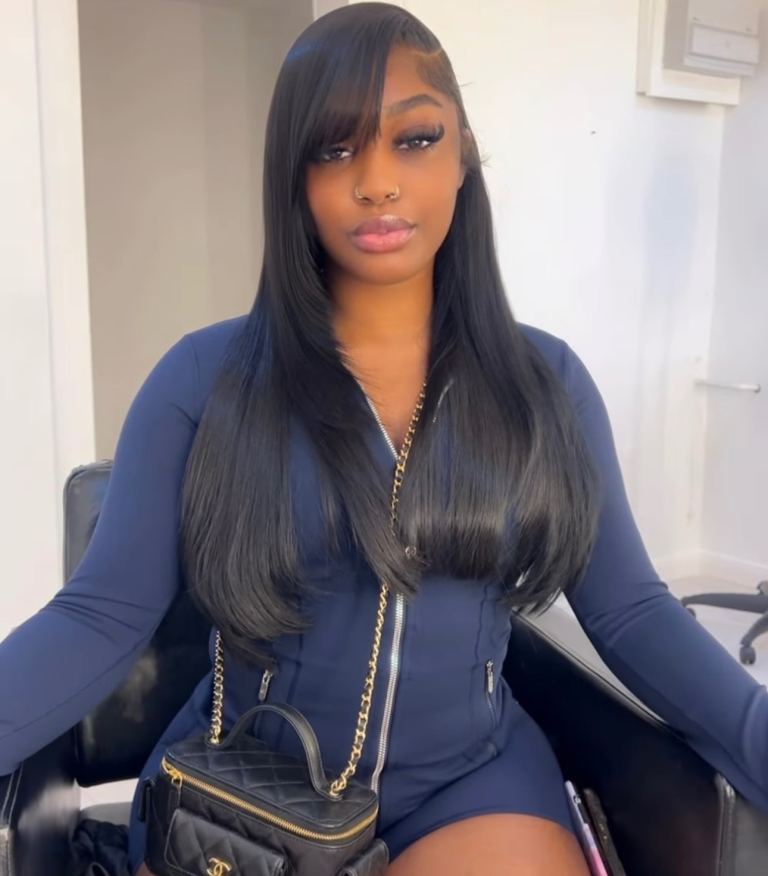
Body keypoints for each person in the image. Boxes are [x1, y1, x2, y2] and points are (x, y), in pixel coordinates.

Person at [2, 4, 767, 874]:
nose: (376, 182)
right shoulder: (203, 379)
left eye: (414, 139)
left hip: (470, 786)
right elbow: (99, 616)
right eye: (335, 150)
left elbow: (632, 613)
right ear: (293, 177)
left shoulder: (544, 385)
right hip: (243, 792)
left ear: (462, 152)